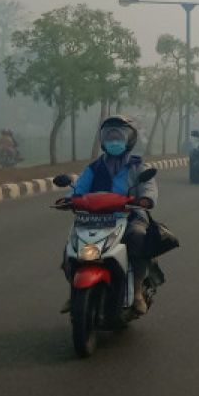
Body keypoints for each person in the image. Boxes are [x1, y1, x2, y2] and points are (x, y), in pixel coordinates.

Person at [58, 116, 158, 314]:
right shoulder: (94, 168)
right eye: (110, 137)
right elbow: (79, 187)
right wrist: (68, 198)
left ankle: (137, 291)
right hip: (93, 217)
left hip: (129, 216)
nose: (114, 142)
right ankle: (74, 293)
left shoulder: (138, 167)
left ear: (129, 140)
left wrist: (145, 199)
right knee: (71, 249)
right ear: (103, 141)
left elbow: (149, 187)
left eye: (118, 137)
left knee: (138, 238)